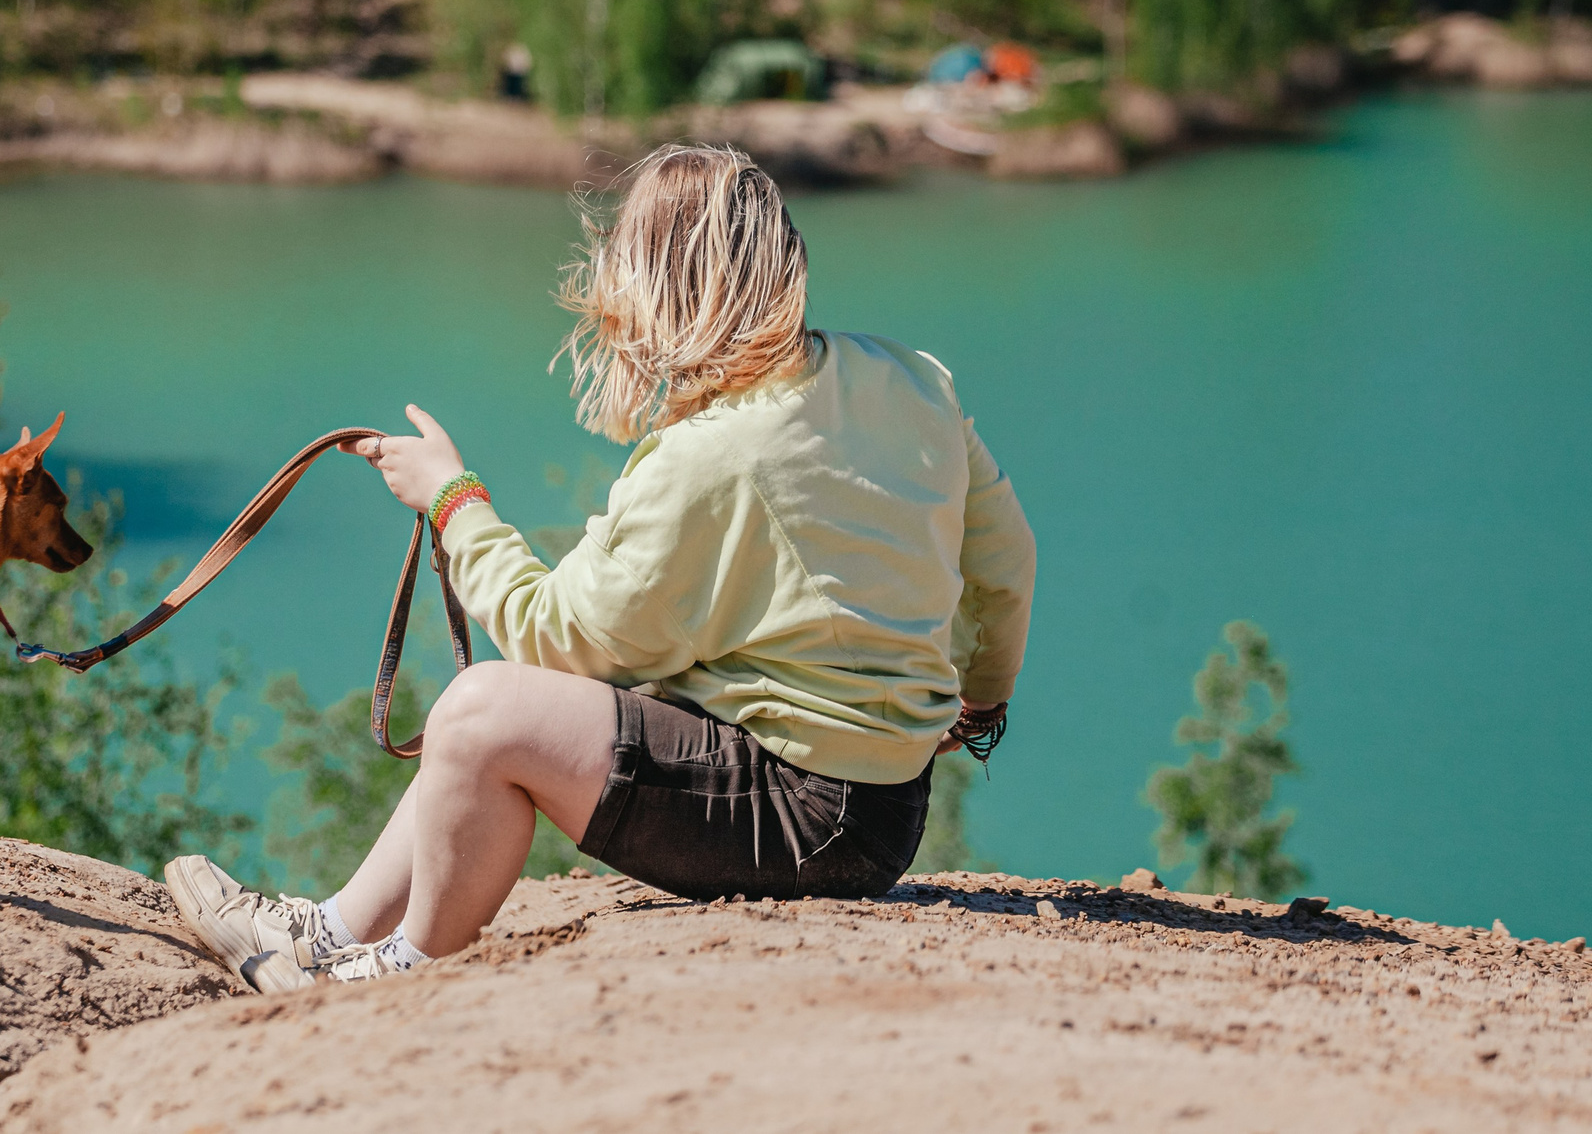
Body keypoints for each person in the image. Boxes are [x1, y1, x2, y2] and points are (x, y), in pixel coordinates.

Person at [165, 142, 1036, 987]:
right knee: (496, 719)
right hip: (887, 810)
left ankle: (394, 971)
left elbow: (555, 643)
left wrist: (454, 500)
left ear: (663, 288)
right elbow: (1005, 560)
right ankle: (328, 932)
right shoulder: (913, 379)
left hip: (807, 823)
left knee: (482, 712)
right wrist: (982, 694)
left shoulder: (708, 456)